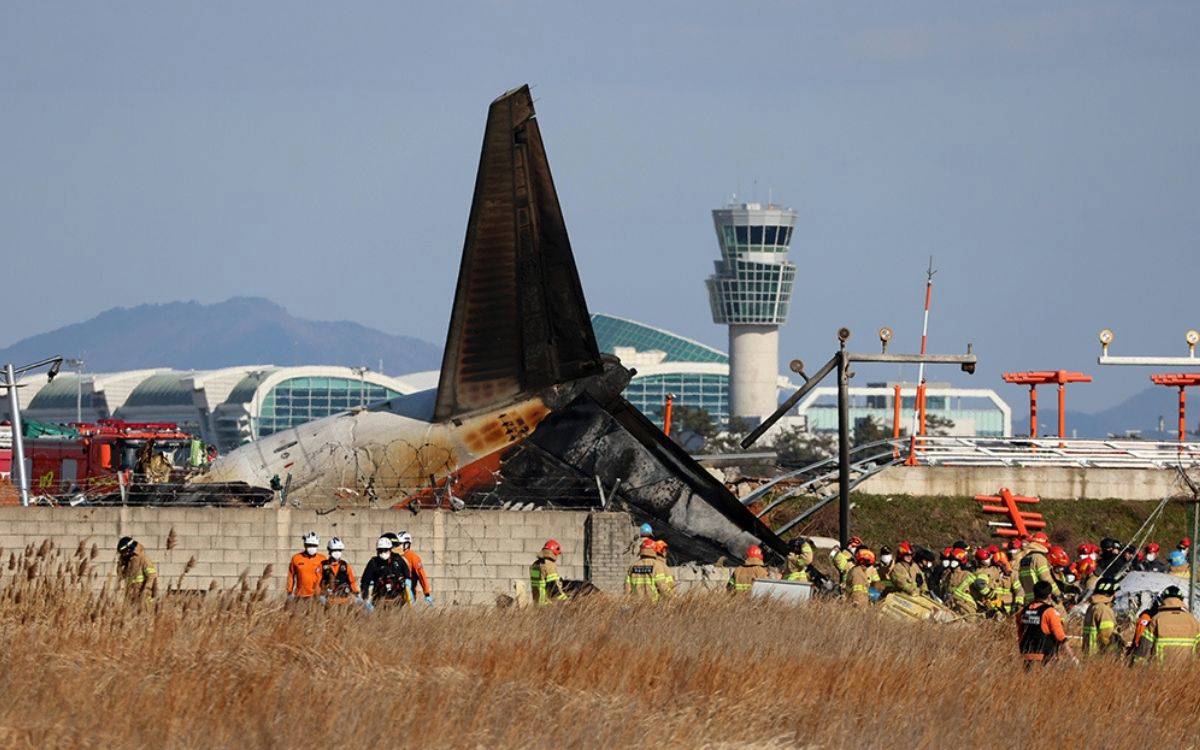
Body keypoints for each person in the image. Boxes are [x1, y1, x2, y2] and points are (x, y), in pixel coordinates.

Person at [1134, 585, 1200, 665]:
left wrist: (1135, 667)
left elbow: (1143, 650)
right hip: (1188, 673)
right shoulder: (1193, 621)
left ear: (1163, 600)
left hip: (1159, 674)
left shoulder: (1156, 619)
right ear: (1181, 600)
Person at [1017, 580, 1072, 668]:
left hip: (1026, 656)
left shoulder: (1023, 611)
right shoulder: (1050, 612)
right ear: (1049, 596)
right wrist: (1072, 657)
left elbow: (1020, 634)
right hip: (1044, 658)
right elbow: (1060, 637)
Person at [361, 536, 412, 607]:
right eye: (380, 550)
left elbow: (407, 573)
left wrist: (408, 585)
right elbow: (365, 582)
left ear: (390, 549)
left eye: (385, 550)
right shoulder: (373, 562)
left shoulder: (397, 559)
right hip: (379, 601)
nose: (383, 553)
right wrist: (365, 598)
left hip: (398, 600)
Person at [1082, 578, 1124, 657]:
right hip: (1101, 656)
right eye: (1114, 593)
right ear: (1108, 593)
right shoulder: (1104, 610)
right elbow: (1107, 637)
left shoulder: (1092, 607)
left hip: (1089, 654)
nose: (1115, 596)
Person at [1018, 532, 1058, 605]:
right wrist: (1057, 593)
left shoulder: (1024, 559)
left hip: (1028, 600)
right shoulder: (1038, 557)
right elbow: (1046, 578)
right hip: (1041, 599)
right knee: (1061, 613)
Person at [395, 531, 432, 606]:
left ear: (407, 544)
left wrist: (426, 593)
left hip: (408, 594)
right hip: (395, 594)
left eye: (400, 544)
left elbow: (421, 575)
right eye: (397, 544)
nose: (398, 546)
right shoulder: (395, 557)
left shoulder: (413, 557)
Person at [116, 536, 158, 602]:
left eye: (123, 552)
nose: (123, 555)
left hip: (143, 599)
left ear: (129, 549)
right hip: (130, 598)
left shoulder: (143, 558)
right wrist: (119, 565)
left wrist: (145, 591)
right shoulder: (129, 561)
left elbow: (152, 576)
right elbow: (121, 576)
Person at [287, 531, 326, 600]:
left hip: (317, 596)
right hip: (300, 596)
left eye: (314, 545)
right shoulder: (296, 558)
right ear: (305, 545)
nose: (312, 547)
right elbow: (291, 576)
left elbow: (328, 577)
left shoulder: (322, 559)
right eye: (309, 545)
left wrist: (326, 592)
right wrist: (289, 592)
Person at [319, 537, 359, 603]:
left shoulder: (345, 565)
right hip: (328, 598)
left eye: (339, 550)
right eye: (334, 550)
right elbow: (318, 582)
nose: (337, 552)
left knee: (360, 601)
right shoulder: (322, 565)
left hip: (344, 598)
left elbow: (352, 581)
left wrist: (356, 592)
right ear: (329, 551)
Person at [530, 539, 568, 605]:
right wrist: (566, 600)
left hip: (537, 603)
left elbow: (541, 582)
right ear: (554, 552)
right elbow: (552, 588)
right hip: (548, 605)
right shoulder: (549, 565)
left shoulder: (535, 565)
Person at [944, 548, 977, 615]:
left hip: (966, 608)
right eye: (951, 560)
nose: (951, 562)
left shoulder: (967, 575)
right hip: (951, 607)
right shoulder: (948, 575)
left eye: (954, 560)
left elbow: (976, 592)